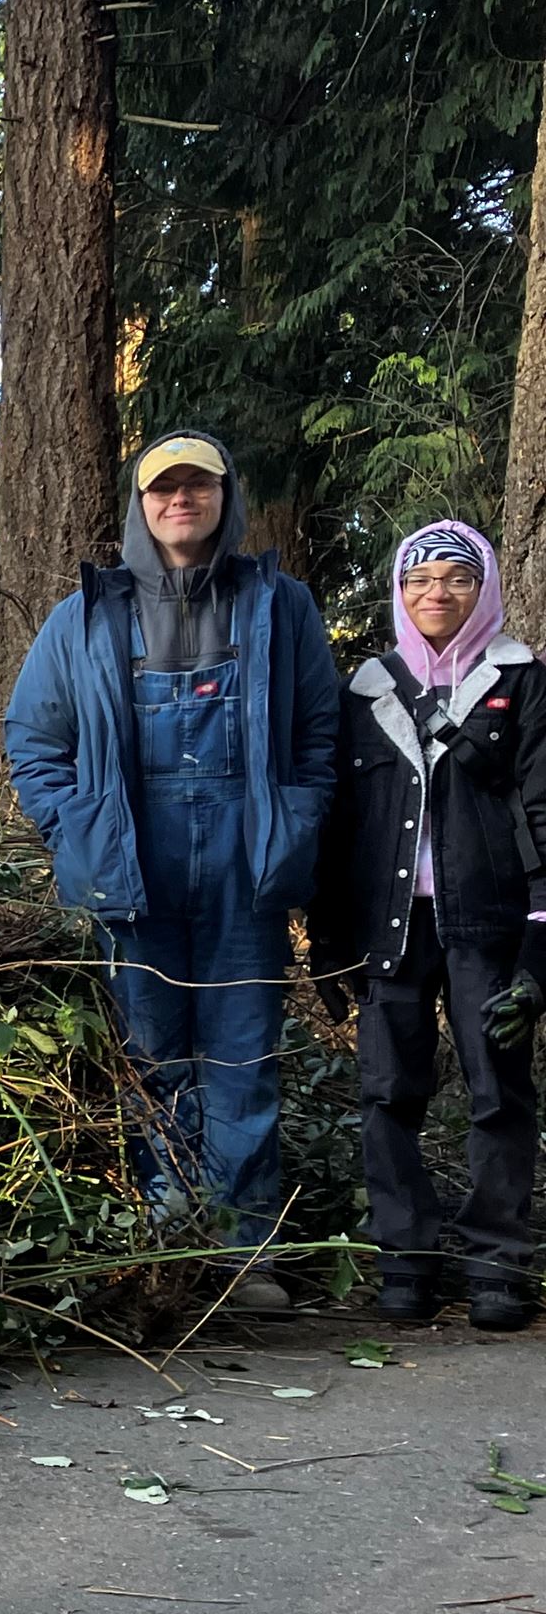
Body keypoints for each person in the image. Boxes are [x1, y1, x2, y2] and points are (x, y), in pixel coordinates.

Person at [3, 432, 340, 1309]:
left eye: (198, 485)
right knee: (149, 1058)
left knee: (240, 1057)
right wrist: (73, 827)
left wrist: (297, 822)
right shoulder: (85, 615)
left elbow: (318, 734)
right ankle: (164, 1244)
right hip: (130, 865)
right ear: (140, 505)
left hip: (244, 863)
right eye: (164, 488)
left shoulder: (280, 607)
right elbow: (33, 741)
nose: (180, 500)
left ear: (226, 497)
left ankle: (242, 1254)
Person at [309, 522, 543, 1332]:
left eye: (456, 578)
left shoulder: (523, 679)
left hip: (491, 925)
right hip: (390, 927)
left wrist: (542, 943)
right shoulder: (369, 688)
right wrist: (330, 943)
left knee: (498, 1092)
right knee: (387, 1092)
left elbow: (544, 812)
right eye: (418, 579)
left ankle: (495, 1268)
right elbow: (340, 825)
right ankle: (405, 1261)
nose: (436, 593)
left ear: (485, 589)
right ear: (398, 592)